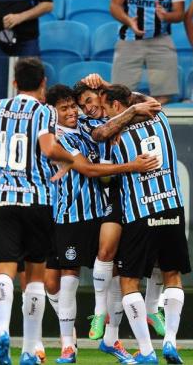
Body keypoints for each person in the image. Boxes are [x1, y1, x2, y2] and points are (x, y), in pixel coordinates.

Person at [0, 57, 74, 365]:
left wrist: (0, 148)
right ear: (43, 85)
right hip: (37, 199)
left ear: (14, 83)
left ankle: (2, 332)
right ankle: (29, 348)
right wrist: (70, 160)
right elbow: (49, 148)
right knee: (35, 277)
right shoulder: (43, 112)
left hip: (2, 200)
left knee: (4, 271)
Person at [45, 84, 158, 364]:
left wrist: (106, 87)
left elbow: (124, 109)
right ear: (53, 113)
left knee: (116, 273)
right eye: (65, 108)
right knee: (67, 280)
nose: (73, 111)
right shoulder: (56, 137)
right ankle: (68, 346)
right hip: (69, 214)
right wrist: (132, 166)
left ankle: (111, 338)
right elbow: (88, 170)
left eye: (74, 106)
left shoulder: (86, 122)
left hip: (100, 211)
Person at [101, 84, 191, 364]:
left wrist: (119, 119)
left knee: (128, 281)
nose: (104, 114)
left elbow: (101, 141)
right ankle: (170, 342)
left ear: (118, 107)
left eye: (106, 108)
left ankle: (147, 350)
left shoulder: (115, 136)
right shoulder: (161, 118)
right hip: (172, 207)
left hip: (140, 212)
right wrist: (132, 103)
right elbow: (146, 102)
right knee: (172, 275)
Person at [110, 0, 185, 105]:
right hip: (129, 38)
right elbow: (114, 6)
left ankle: (156, 127)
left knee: (164, 96)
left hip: (160, 38)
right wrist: (129, 21)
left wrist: (166, 16)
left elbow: (179, 14)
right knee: (119, 95)